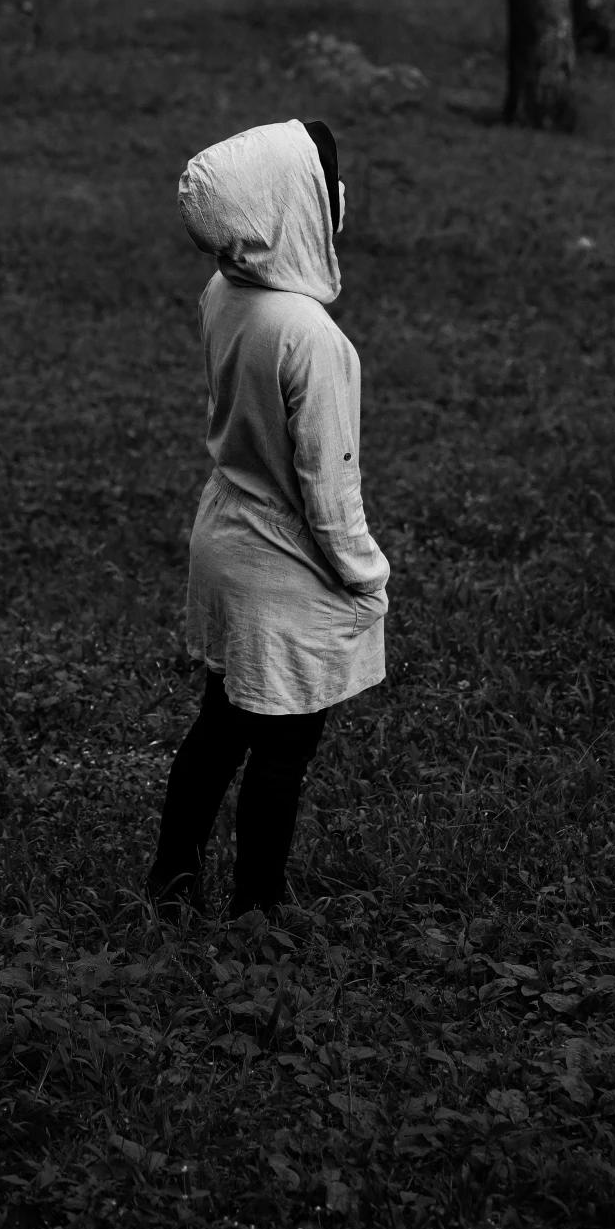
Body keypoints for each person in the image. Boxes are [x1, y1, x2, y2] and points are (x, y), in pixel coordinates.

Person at [147, 117, 389, 919]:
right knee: (282, 748)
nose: (338, 194)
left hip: (225, 537)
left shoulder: (226, 291)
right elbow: (329, 483)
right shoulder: (309, 336)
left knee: (219, 727)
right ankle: (257, 916)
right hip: (284, 563)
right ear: (292, 205)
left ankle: (171, 882)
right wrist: (363, 574)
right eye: (324, 181)